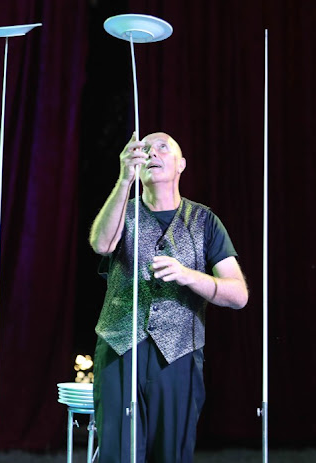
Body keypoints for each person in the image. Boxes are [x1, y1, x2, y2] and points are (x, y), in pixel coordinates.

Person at [89, 131, 248, 463]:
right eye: (145, 148)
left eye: (163, 147)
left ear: (181, 164)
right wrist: (123, 182)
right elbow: (102, 244)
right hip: (121, 348)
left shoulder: (205, 222)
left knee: (171, 453)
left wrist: (187, 276)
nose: (152, 153)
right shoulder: (124, 211)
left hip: (178, 356)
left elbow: (238, 295)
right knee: (117, 453)